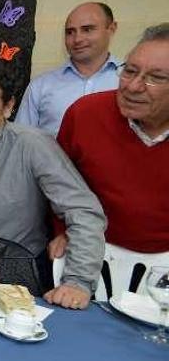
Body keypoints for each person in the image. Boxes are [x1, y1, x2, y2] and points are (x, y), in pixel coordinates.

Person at [0, 64, 107, 310]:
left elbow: (84, 211)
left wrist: (77, 282)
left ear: (8, 107)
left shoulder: (33, 145)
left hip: (25, 272)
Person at [53, 23, 169, 258]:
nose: (133, 87)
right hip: (91, 253)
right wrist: (62, 230)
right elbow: (56, 184)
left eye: (155, 78)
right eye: (130, 71)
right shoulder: (85, 114)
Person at [16, 2, 120, 135]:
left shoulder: (131, 82)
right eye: (70, 32)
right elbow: (21, 142)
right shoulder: (40, 86)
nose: (77, 39)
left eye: (87, 29)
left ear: (111, 29)